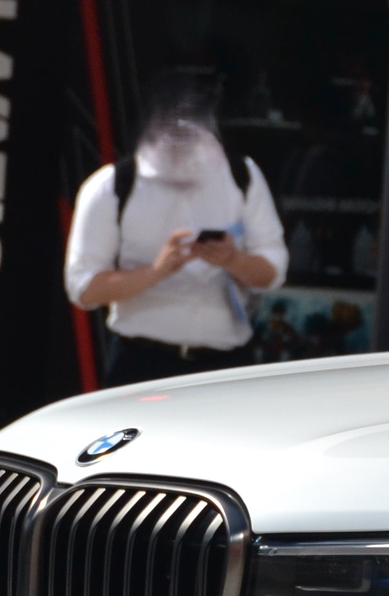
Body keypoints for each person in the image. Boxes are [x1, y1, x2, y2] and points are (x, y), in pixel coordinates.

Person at [65, 71, 286, 386]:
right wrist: (155, 271)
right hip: (141, 364)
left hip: (225, 366)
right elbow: (83, 288)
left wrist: (232, 260)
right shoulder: (111, 187)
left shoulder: (243, 177)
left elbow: (273, 272)